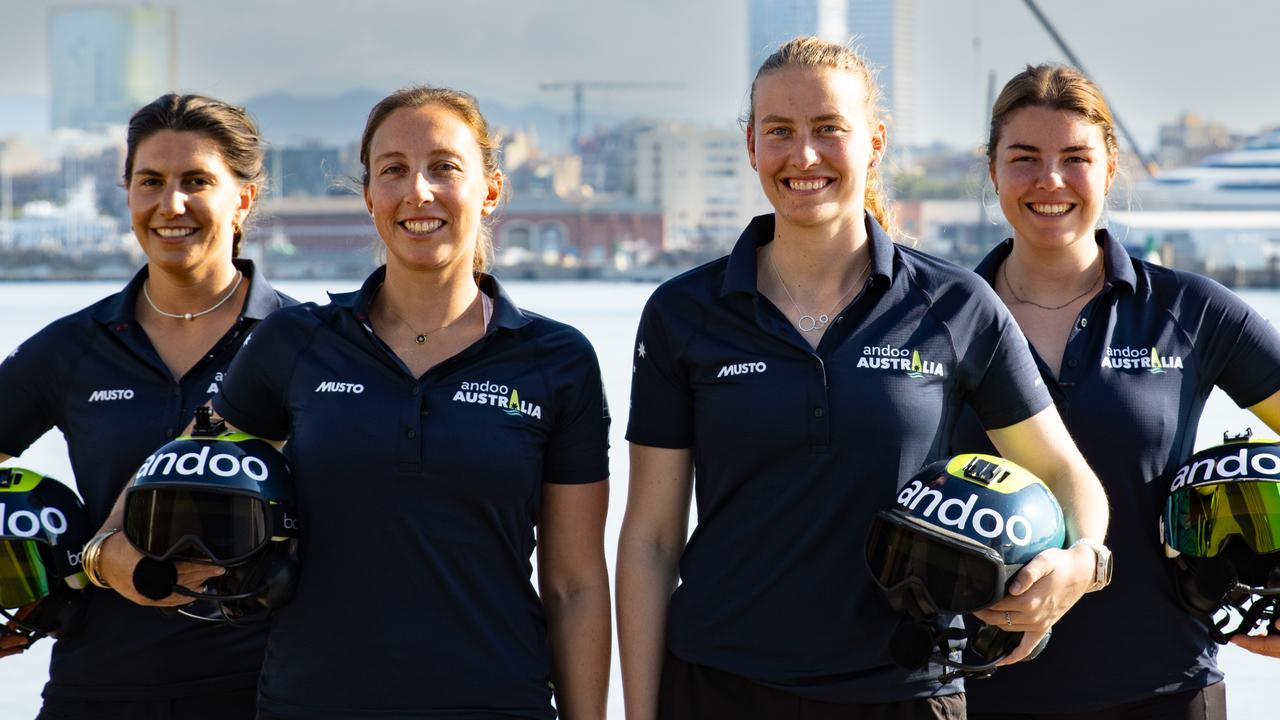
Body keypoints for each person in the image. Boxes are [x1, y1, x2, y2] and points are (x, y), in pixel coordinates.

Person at [617, 37, 1110, 720]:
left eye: (829, 130)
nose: (804, 155)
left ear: (874, 141)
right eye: (780, 132)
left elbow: (1064, 473)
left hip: (906, 691)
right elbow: (650, 541)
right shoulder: (683, 313)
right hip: (720, 684)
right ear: (752, 146)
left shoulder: (954, 304)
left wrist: (1082, 561)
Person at [201, 85, 610, 719]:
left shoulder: (556, 360)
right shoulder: (298, 342)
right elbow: (184, 468)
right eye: (393, 170)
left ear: (491, 189)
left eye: (444, 167)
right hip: (314, 704)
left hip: (499, 702)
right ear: (369, 196)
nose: (418, 191)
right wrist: (101, 554)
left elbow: (576, 585)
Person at [952, 64, 1280, 720]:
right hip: (973, 692)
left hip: (1166, 687)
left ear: (1109, 167)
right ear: (992, 170)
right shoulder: (939, 317)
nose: (1050, 180)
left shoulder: (1192, 311)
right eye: (1024, 158)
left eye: (1075, 157)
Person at [0, 93, 293, 719]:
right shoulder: (74, 347)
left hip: (268, 691)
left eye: (197, 182)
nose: (171, 205)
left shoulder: (305, 343)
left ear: (242, 199)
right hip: (98, 687)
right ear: (127, 195)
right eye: (150, 182)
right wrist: (28, 573)